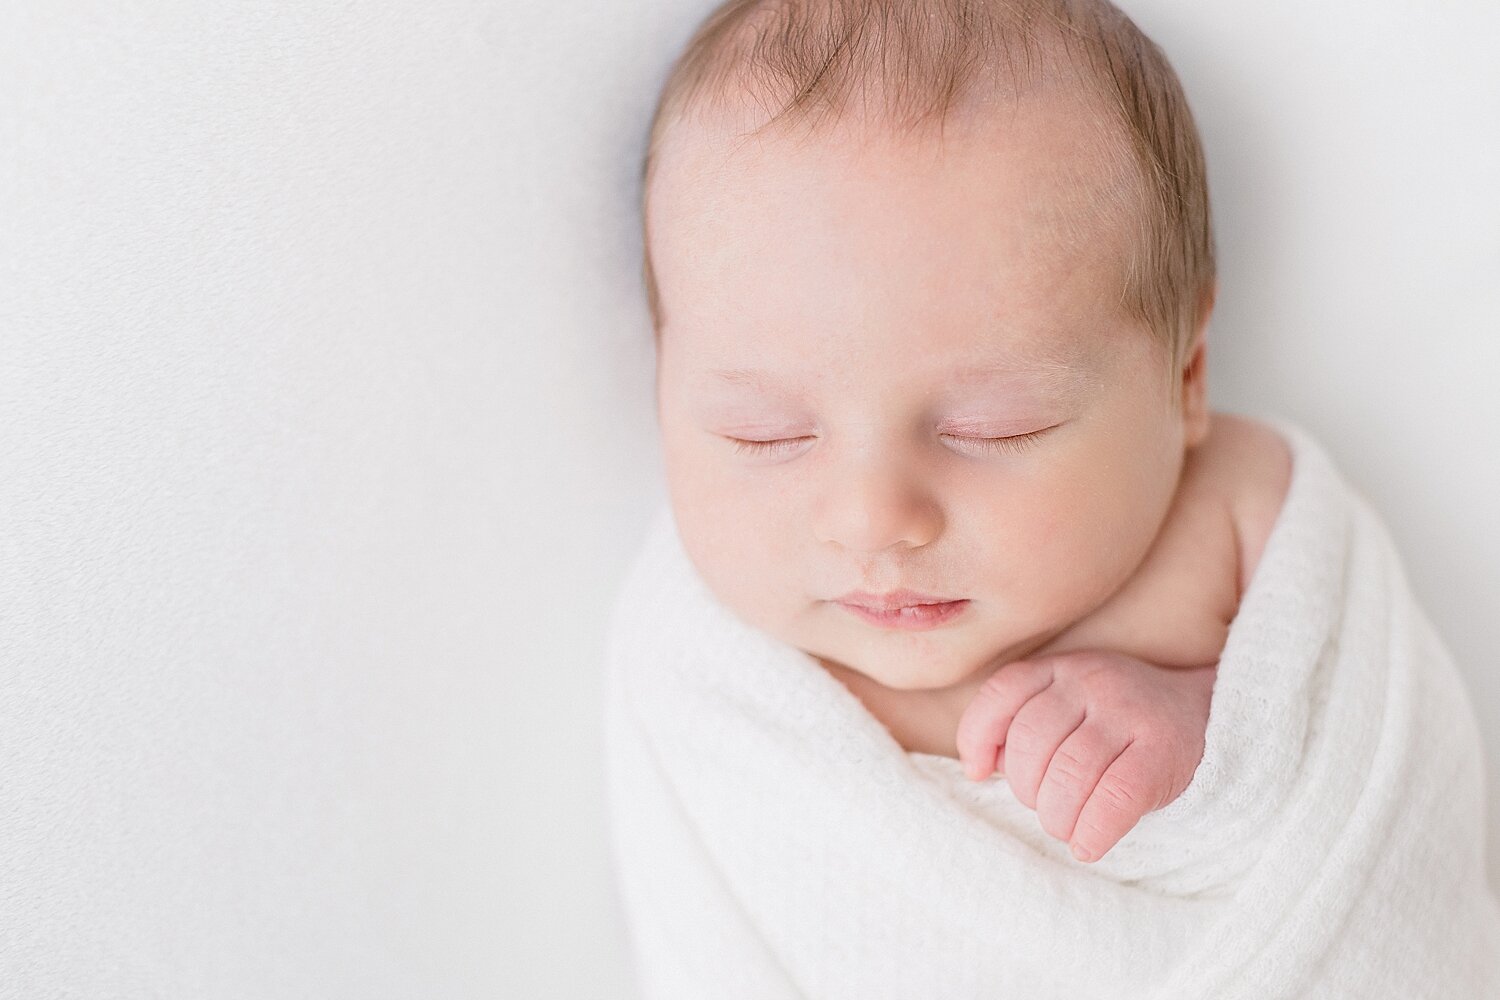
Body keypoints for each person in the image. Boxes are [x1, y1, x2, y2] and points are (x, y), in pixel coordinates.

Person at [639, 0, 1290, 865]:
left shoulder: (1236, 519)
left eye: (994, 428)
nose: (874, 521)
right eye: (767, 435)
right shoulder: (706, 677)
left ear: (1186, 377)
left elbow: (1339, 745)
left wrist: (1205, 725)